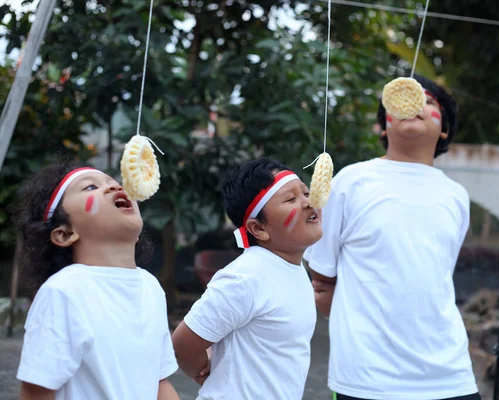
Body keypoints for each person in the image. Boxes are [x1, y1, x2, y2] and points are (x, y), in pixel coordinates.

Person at [305, 75, 481, 400]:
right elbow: (323, 277)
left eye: (429, 102)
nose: (416, 104)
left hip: (450, 375)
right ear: (384, 126)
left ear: (444, 129)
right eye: (403, 99)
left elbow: (437, 276)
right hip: (366, 378)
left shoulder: (456, 196)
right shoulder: (351, 181)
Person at [12, 160, 180, 400]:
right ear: (65, 233)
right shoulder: (64, 291)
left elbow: (159, 383)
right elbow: (36, 392)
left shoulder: (150, 287)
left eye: (115, 182)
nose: (114, 187)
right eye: (90, 187)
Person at [172, 157, 322, 399]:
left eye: (305, 193)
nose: (308, 202)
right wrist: (203, 370)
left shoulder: (292, 267)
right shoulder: (246, 277)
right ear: (258, 229)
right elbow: (183, 344)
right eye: (291, 199)